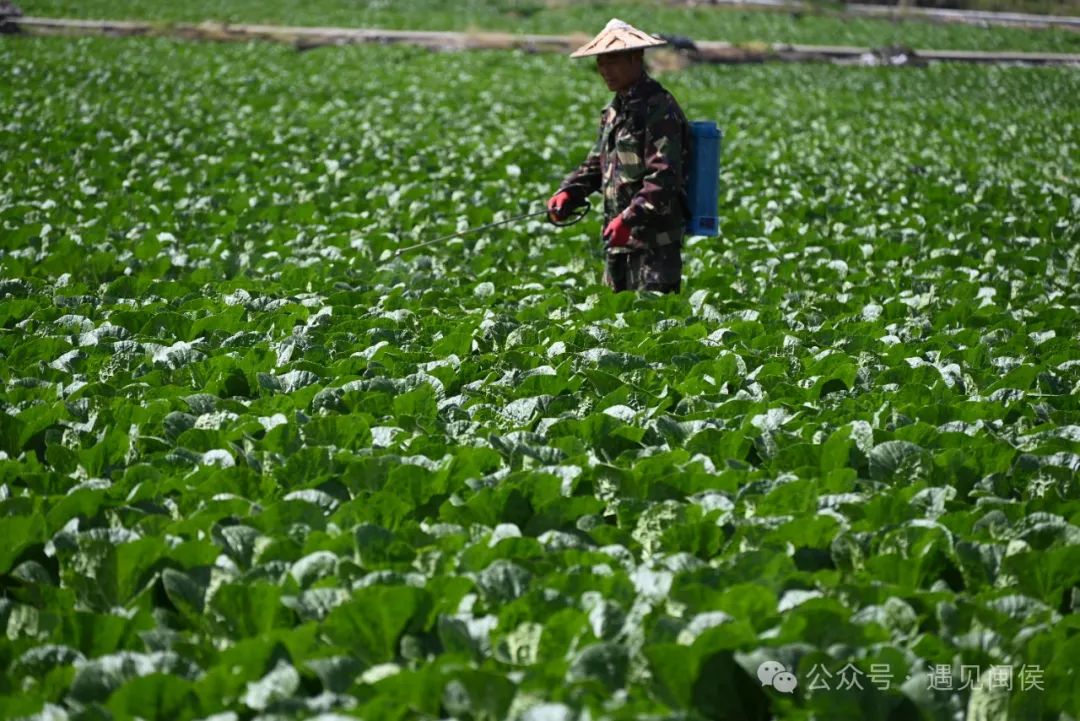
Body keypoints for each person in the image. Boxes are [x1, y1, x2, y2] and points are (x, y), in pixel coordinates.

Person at [548, 19, 691, 294]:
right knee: (613, 315)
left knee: (653, 315)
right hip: (617, 241)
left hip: (653, 246)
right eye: (600, 62)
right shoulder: (613, 111)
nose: (605, 70)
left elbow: (664, 176)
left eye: (612, 61)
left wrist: (628, 219)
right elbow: (597, 163)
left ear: (635, 58)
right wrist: (569, 191)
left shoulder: (659, 108)